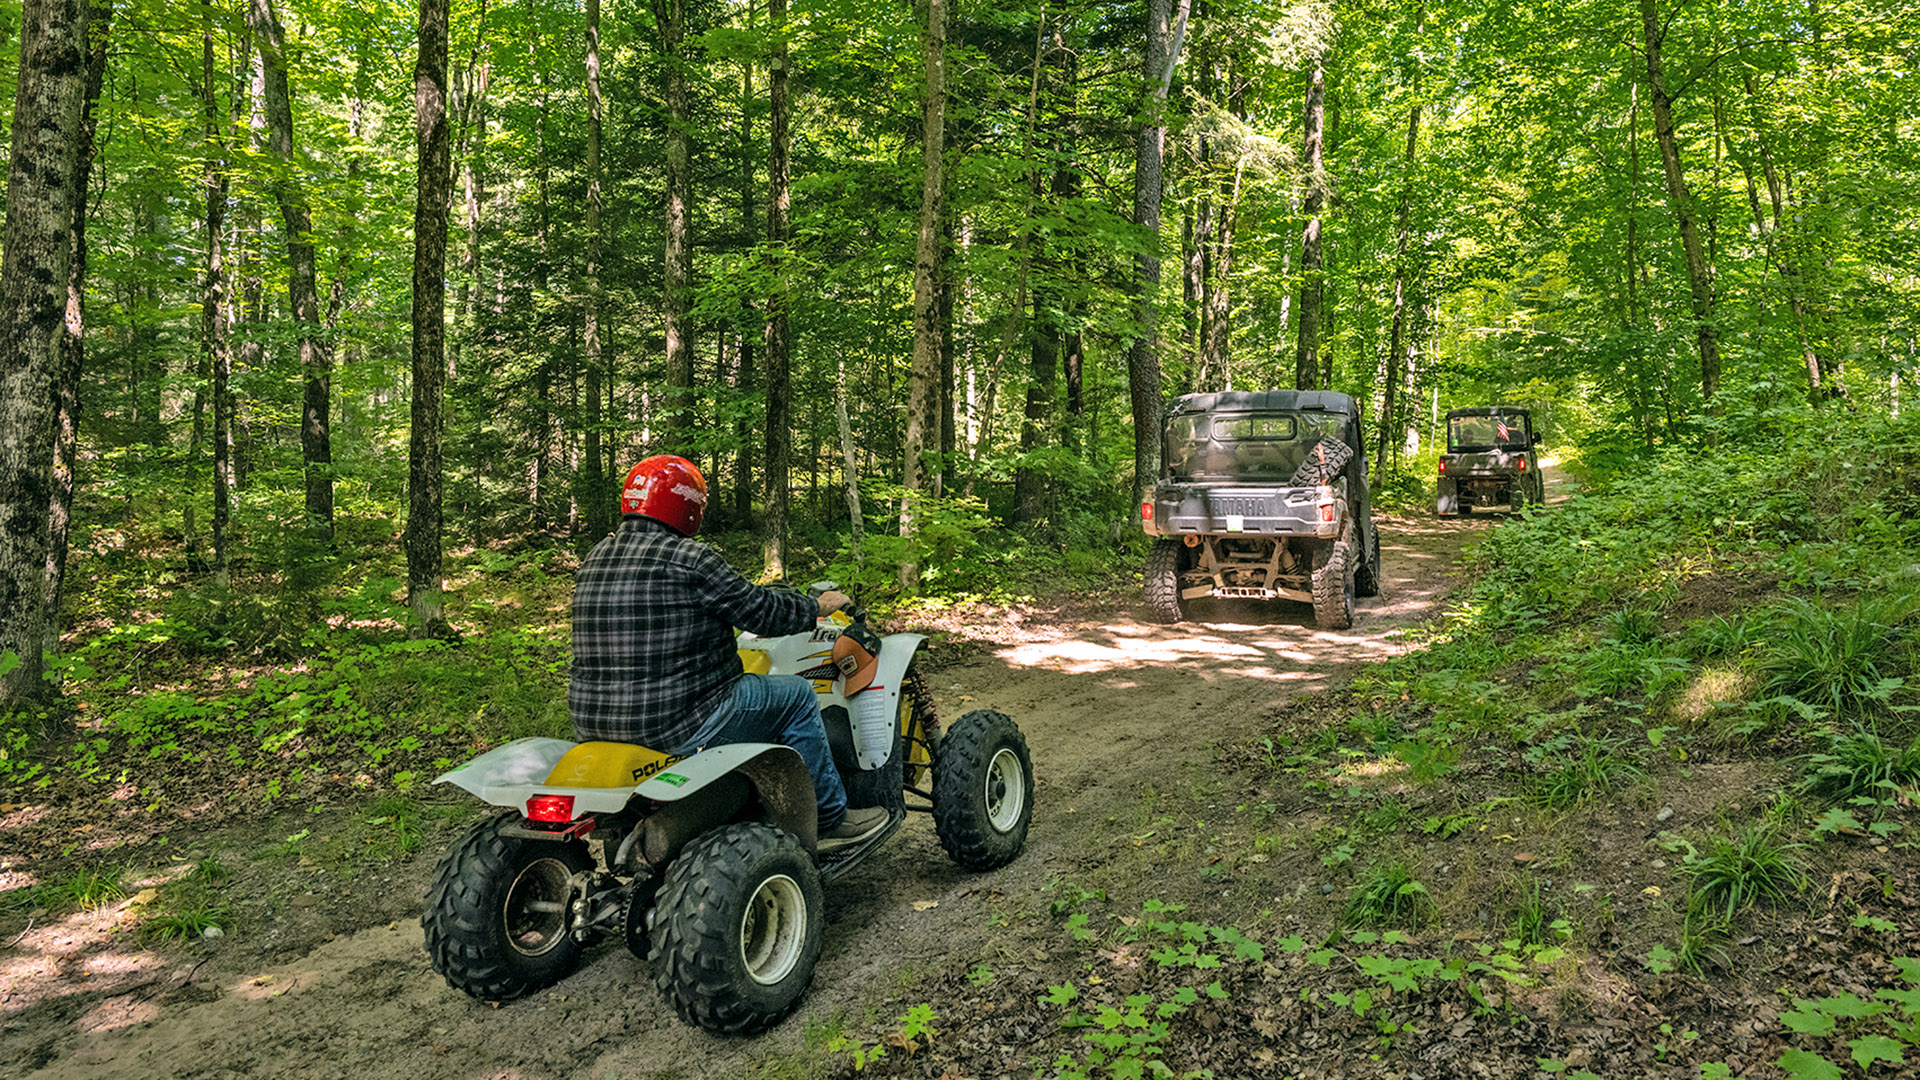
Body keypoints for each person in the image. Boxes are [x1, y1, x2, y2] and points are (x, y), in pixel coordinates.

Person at [568, 455, 889, 848]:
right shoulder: (689, 559)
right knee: (796, 695)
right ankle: (829, 816)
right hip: (677, 721)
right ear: (688, 506)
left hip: (593, 724)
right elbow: (763, 612)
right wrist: (817, 607)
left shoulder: (595, 558)